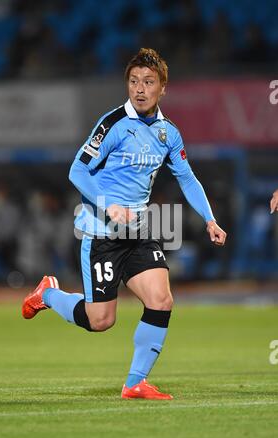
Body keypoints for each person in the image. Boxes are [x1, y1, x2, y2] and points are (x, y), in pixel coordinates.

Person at [22, 48, 227, 400]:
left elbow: (187, 177)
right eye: (134, 81)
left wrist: (209, 218)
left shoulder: (168, 133)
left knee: (161, 300)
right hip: (101, 234)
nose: (140, 89)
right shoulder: (113, 124)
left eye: (148, 82)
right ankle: (48, 294)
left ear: (163, 88)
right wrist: (109, 206)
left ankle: (134, 382)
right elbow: (77, 170)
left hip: (138, 233)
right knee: (101, 320)